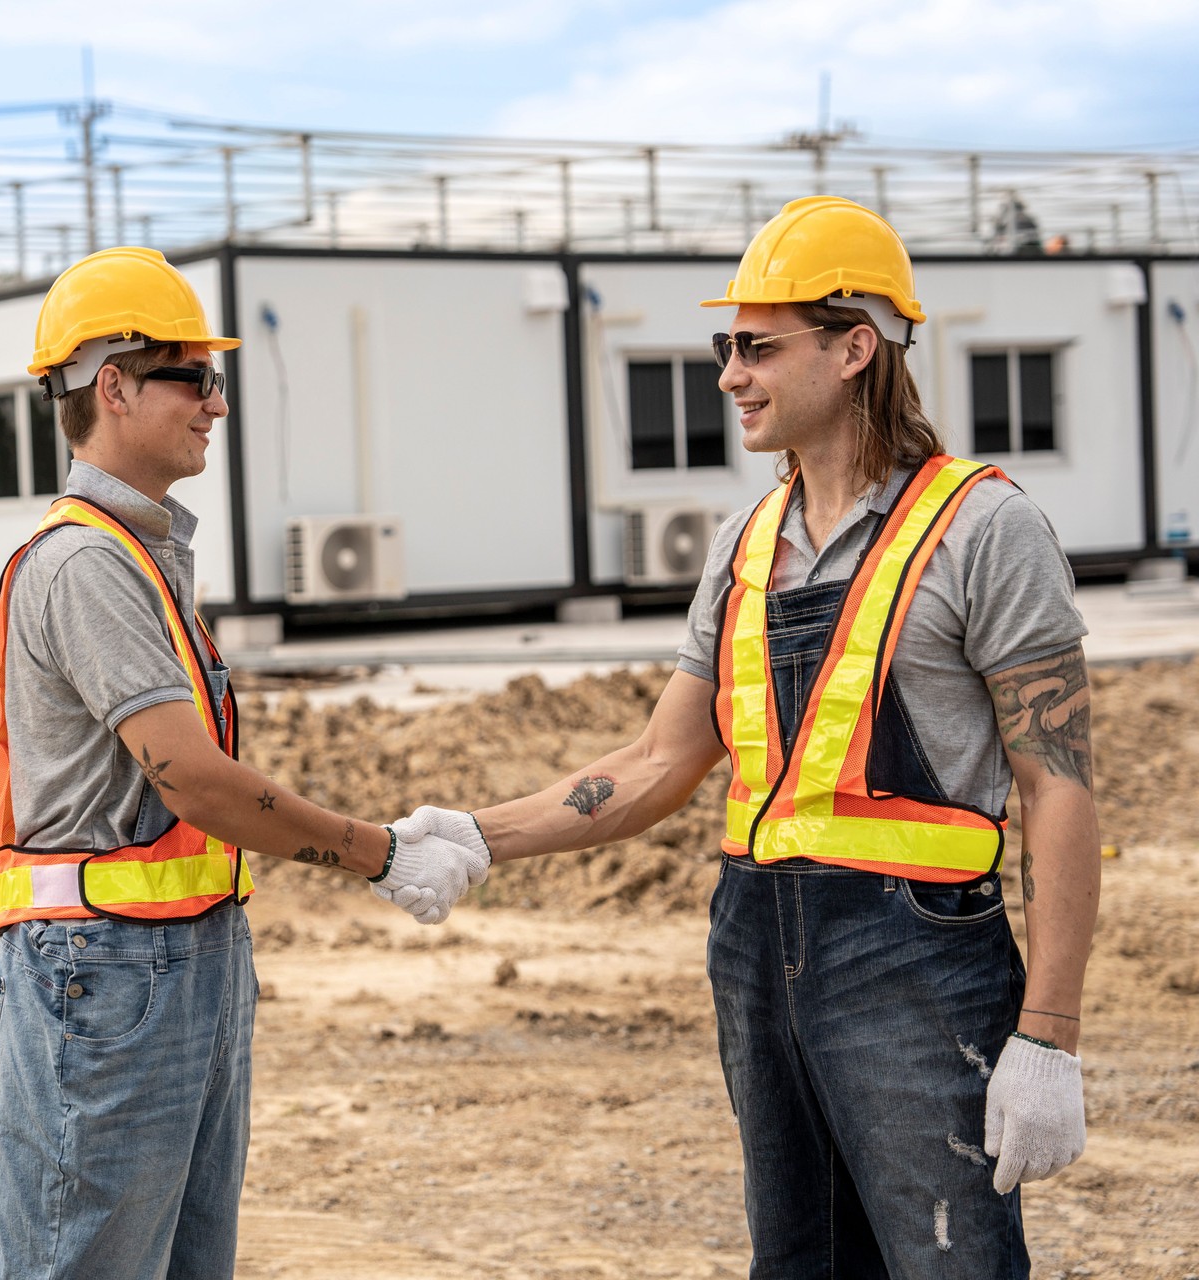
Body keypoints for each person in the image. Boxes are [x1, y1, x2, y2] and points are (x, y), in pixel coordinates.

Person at [400, 197, 1100, 1276]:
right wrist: (478, 834)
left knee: (947, 1260)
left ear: (855, 346)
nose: (728, 372)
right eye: (726, 345)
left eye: (758, 347)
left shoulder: (985, 527)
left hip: (916, 949)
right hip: (754, 939)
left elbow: (1058, 786)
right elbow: (657, 761)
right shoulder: (746, 539)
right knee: (803, 1258)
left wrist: (1048, 1033)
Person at [0, 246, 487, 1280]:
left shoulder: (140, 551)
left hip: (177, 958)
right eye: (194, 376)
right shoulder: (85, 562)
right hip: (107, 973)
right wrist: (377, 851)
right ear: (112, 385)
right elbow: (191, 776)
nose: (217, 402)